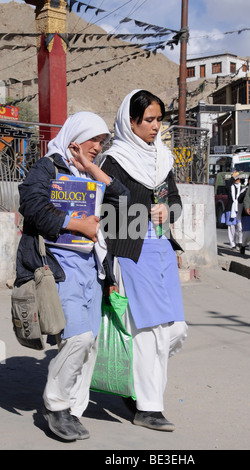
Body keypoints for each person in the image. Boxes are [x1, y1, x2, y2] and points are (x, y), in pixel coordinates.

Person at [15, 112, 130, 441]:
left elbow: (123, 200)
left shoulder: (89, 172)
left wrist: (92, 167)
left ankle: (72, 412)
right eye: (94, 139)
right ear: (76, 138)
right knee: (76, 337)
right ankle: (56, 405)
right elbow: (32, 205)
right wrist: (77, 224)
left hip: (91, 269)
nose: (99, 146)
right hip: (58, 268)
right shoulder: (47, 167)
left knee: (89, 343)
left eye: (102, 141)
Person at [100, 89, 188, 432]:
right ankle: (148, 407)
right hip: (131, 253)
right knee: (150, 332)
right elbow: (104, 214)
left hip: (162, 250)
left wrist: (168, 210)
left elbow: (176, 201)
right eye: (148, 120)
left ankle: (135, 385)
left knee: (176, 330)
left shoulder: (162, 159)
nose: (155, 127)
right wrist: (139, 212)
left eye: (158, 120)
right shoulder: (113, 162)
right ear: (130, 121)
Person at [238, 174, 250, 258]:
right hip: (246, 215)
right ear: (248, 181)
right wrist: (247, 192)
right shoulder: (245, 190)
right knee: (247, 234)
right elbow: (239, 200)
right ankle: (243, 245)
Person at [221, 170, 242, 250]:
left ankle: (240, 242)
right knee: (231, 227)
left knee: (240, 227)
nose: (237, 180)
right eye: (236, 179)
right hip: (230, 209)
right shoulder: (230, 187)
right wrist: (232, 177)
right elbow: (227, 185)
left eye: (238, 178)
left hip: (239, 209)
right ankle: (232, 244)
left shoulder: (241, 187)